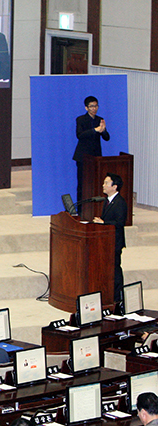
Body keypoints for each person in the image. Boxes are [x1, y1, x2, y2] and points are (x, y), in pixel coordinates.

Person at [93, 173, 127, 302]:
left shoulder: (120, 202)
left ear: (115, 187)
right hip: (107, 241)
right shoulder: (107, 201)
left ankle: (118, 297)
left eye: (106, 183)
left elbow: (119, 222)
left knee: (115, 269)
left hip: (115, 242)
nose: (103, 185)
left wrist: (104, 223)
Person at [73, 96, 110, 210]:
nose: (94, 109)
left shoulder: (100, 119)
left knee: (96, 183)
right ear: (86, 107)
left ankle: (95, 208)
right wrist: (94, 130)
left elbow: (107, 138)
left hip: (96, 156)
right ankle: (80, 209)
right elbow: (80, 135)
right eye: (91, 106)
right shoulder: (81, 119)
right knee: (82, 184)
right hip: (83, 156)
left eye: (96, 106)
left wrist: (103, 130)